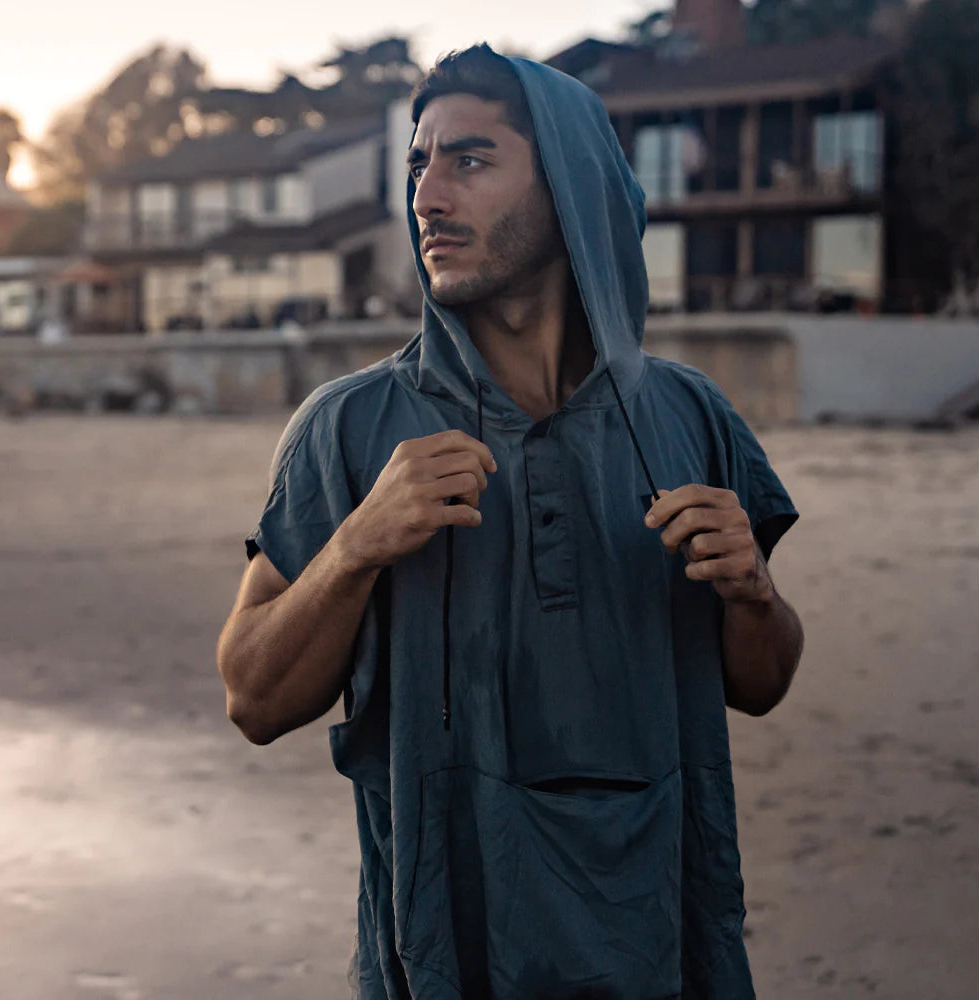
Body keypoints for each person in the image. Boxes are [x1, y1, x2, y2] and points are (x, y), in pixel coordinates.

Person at [217, 44, 803, 1000]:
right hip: (445, 950)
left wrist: (752, 593)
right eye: (420, 163)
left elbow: (764, 683)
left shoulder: (688, 417)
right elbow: (252, 698)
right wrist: (357, 545)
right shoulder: (351, 425)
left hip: (663, 942)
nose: (428, 197)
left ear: (570, 186)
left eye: (470, 161)